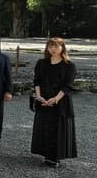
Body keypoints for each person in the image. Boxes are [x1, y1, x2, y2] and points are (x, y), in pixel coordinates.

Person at [31, 37, 77, 168]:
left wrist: (55, 99)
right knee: (44, 128)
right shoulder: (41, 63)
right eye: (50, 46)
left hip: (60, 102)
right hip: (43, 101)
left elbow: (68, 86)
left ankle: (55, 157)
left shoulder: (69, 65)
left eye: (56, 46)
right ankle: (46, 155)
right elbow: (37, 81)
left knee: (58, 129)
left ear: (62, 48)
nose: (53, 49)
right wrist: (39, 97)